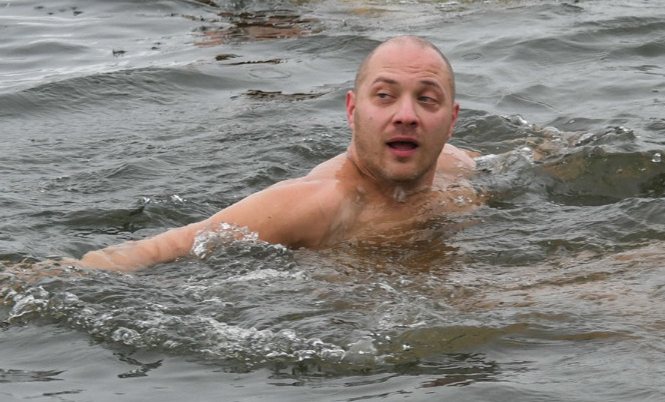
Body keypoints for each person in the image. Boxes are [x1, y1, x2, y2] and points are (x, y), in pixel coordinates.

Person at [80, 36, 472, 270]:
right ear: (352, 110)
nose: (406, 116)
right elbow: (159, 250)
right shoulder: (318, 203)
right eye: (384, 96)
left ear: (451, 120)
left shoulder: (458, 166)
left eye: (427, 99)